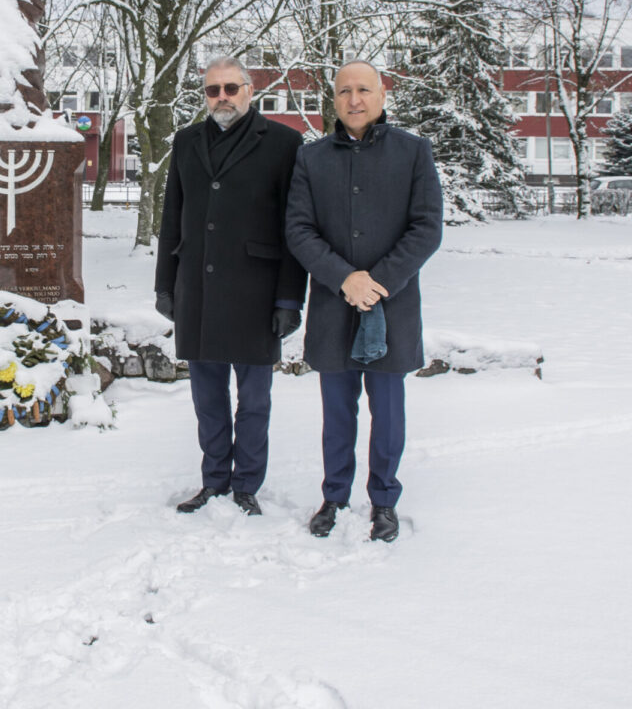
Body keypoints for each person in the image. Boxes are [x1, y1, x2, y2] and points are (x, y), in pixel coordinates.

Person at [285, 61, 443, 541]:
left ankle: (384, 500)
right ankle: (334, 495)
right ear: (333, 99)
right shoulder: (311, 158)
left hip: (392, 307)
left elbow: (426, 228)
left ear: (382, 94)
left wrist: (376, 282)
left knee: (388, 414)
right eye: (344, 91)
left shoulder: (413, 152)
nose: (354, 100)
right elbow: (299, 229)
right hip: (333, 307)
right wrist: (344, 278)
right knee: (337, 414)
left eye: (363, 90)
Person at [155, 56, 306, 516]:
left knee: (254, 400)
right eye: (212, 90)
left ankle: (246, 486)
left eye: (230, 88)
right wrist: (165, 285)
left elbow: (294, 227)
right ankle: (214, 480)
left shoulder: (284, 143)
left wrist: (289, 297)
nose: (222, 97)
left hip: (257, 293)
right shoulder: (187, 141)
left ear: (249, 91)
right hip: (197, 288)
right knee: (207, 398)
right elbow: (172, 215)